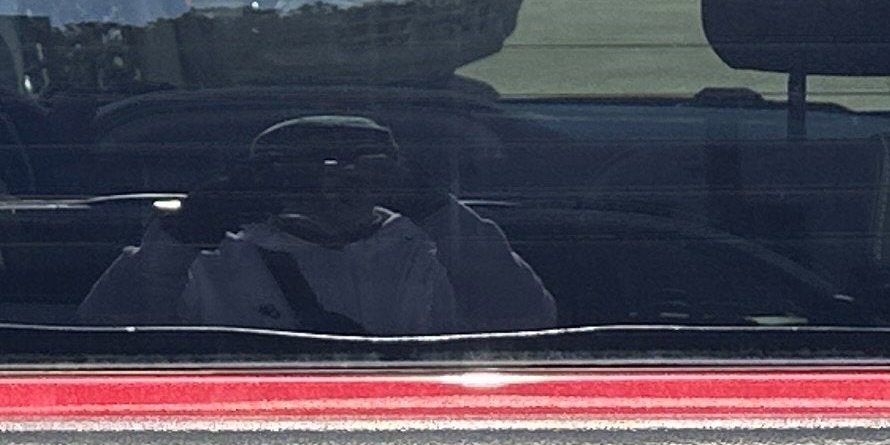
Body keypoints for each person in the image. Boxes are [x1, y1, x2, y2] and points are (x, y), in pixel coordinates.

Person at [82, 114, 553, 336]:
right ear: (262, 179)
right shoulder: (213, 260)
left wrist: (433, 208)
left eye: (361, 166)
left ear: (391, 175)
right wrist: (187, 230)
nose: (331, 182)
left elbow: (527, 316)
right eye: (301, 168)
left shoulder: (431, 252)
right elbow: (106, 333)